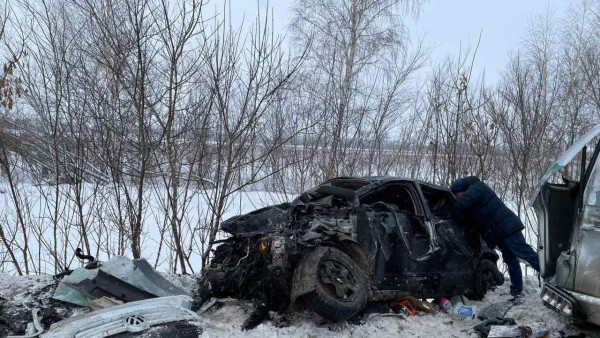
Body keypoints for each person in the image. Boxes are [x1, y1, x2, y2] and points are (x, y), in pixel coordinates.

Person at [450, 176, 540, 298]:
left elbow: (461, 204)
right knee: (511, 260)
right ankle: (516, 291)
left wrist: (452, 215)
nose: (457, 198)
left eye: (457, 195)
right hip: (501, 231)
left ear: (462, 190)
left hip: (507, 228)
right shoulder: (475, 195)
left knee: (525, 253)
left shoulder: (477, 188)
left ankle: (552, 276)